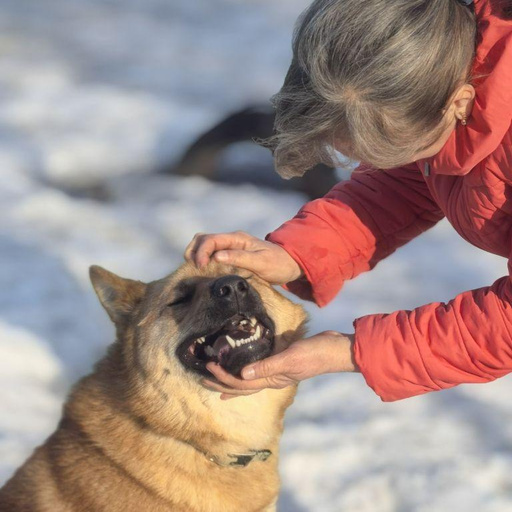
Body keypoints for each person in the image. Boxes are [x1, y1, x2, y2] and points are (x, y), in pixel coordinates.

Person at [185, 0, 512, 401]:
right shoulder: (436, 75)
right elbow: (412, 179)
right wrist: (296, 254)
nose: (371, 165)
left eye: (388, 151)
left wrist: (350, 352)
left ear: (460, 103)